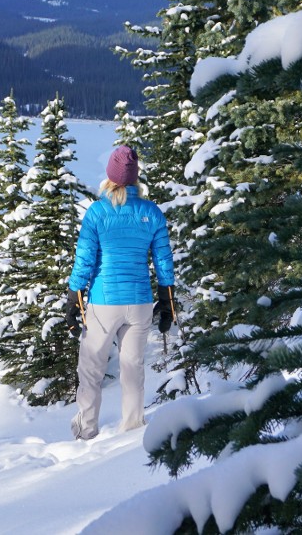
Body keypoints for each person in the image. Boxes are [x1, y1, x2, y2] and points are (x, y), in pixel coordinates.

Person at [63, 145, 175, 440]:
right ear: (135, 177)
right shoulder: (151, 213)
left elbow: (85, 258)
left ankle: (86, 430)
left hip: (104, 302)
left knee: (91, 370)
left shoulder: (97, 213)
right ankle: (132, 430)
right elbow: (163, 261)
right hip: (139, 302)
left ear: (110, 176)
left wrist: (74, 297)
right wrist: (167, 303)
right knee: (133, 368)